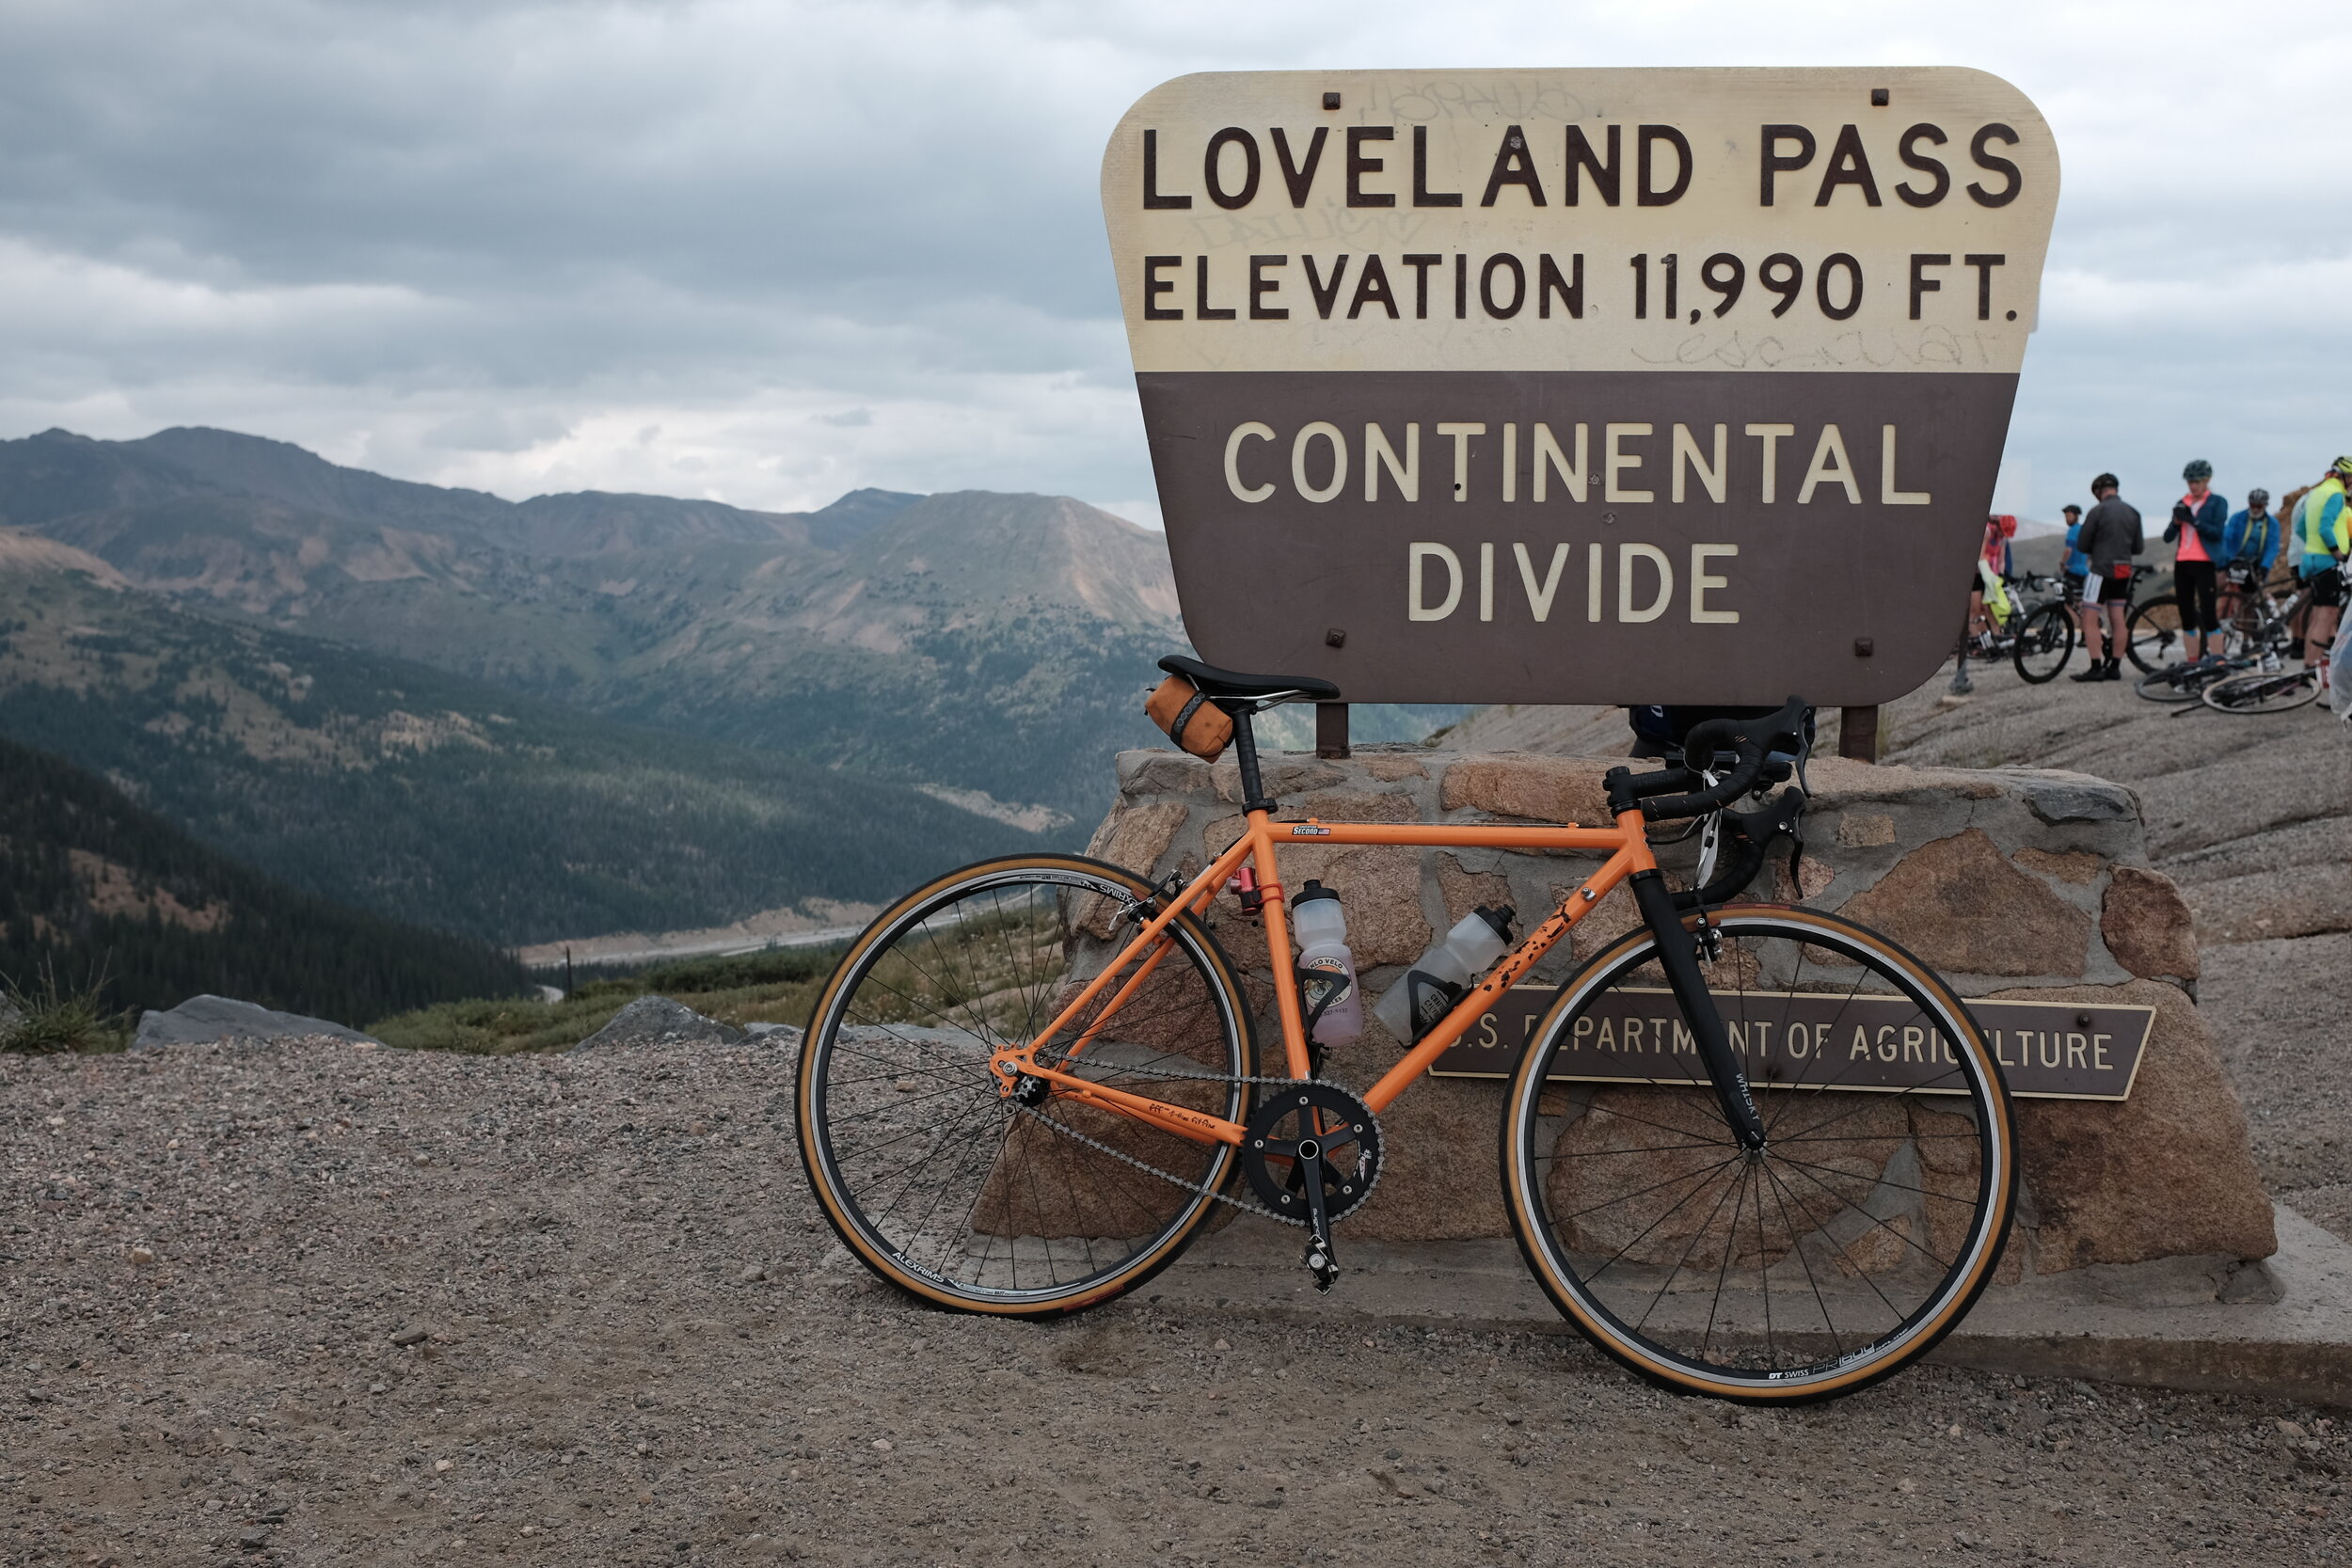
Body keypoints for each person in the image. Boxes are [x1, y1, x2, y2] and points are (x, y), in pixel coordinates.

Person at [2071, 473, 2142, 682]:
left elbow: (2082, 545)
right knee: (2118, 619)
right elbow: (2138, 547)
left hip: (2100, 570)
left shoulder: (2097, 511)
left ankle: (2096, 667)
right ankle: (2115, 667)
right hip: (2123, 569)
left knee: (2089, 618)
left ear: (2098, 491)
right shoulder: (2133, 512)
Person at [2165, 459, 2228, 664]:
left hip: (2205, 562)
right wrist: (2176, 522)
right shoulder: (2182, 502)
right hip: (2183, 562)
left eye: (2197, 482)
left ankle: (2218, 660)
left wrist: (2193, 520)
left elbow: (2216, 533)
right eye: (2190, 482)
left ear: (2207, 480)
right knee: (2187, 615)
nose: (2193, 486)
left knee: (2209, 614)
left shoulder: (2217, 502)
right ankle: (2192, 660)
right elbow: (2167, 536)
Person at [2298, 456, 2351, 680]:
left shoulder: (2317, 492)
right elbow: (2325, 527)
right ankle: (2314, 670)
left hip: (2310, 557)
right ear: (2346, 477)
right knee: (2327, 616)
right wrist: (2339, 554)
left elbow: (2301, 527)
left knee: (2317, 615)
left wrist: (2313, 546)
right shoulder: (2336, 494)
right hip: (2327, 561)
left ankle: (2309, 665)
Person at [2218, 487, 2281, 638]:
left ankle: (2247, 639)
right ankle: (2218, 631)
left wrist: (2265, 567)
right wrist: (2228, 560)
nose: (2255, 509)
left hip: (2255, 565)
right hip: (2235, 562)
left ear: (2265, 506)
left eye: (2258, 506)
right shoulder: (2237, 518)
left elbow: (2272, 547)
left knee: (2249, 603)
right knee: (2226, 597)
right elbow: (2227, 539)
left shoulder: (2272, 524)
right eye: (2252, 505)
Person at [2058, 503, 2088, 606]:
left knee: (2068, 603)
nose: (2067, 519)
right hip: (2084, 571)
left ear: (2076, 516)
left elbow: (2068, 550)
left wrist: (2063, 563)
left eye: (2069, 516)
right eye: (2066, 516)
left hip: (2072, 570)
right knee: (2078, 600)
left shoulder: (2072, 530)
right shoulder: (2083, 529)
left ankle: (2073, 621)